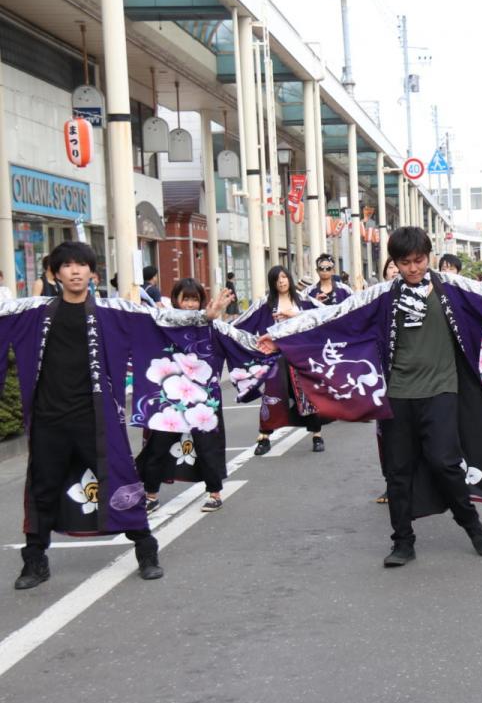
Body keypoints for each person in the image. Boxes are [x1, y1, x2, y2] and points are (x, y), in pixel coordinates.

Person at [257, 227, 482, 567]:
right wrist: (279, 335)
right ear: (395, 263)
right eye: (405, 262)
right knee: (398, 470)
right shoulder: (384, 296)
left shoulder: (453, 288)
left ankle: (472, 524)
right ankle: (403, 541)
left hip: (443, 388)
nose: (413, 268)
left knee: (445, 462)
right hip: (398, 393)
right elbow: (335, 316)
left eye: (418, 261)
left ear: (428, 257)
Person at [0, 243, 260, 589]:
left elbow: (158, 319)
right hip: (48, 418)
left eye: (82, 265)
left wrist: (203, 316)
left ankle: (146, 549)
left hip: (96, 417)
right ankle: (34, 561)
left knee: (120, 479)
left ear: (93, 273)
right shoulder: (33, 312)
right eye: (67, 266)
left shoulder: (112, 311)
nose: (75, 271)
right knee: (42, 487)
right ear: (55, 273)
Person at [135, 278, 256, 515]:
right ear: (176, 300)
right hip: (171, 397)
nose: (190, 304)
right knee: (158, 446)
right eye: (185, 299)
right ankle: (151, 494)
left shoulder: (215, 327)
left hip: (204, 397)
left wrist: (270, 345)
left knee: (208, 446)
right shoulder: (164, 324)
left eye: (194, 299)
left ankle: (215, 493)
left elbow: (242, 344)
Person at [235, 265, 327, 455]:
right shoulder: (264, 304)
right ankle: (264, 437)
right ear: (272, 283)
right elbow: (240, 324)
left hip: (301, 356)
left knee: (308, 396)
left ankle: (317, 435)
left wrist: (296, 315)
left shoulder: (303, 301)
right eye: (277, 279)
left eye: (284, 277)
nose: (282, 281)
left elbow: (325, 315)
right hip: (275, 358)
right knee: (272, 396)